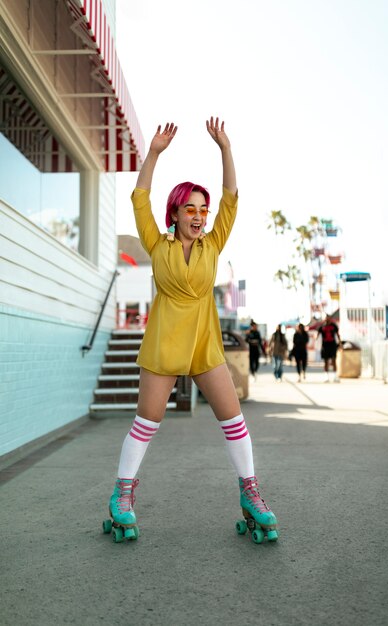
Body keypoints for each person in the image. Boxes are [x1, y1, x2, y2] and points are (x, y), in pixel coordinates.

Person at [106, 119, 278, 543]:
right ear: (176, 213)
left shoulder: (213, 243)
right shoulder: (156, 244)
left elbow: (232, 199)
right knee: (147, 422)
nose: (200, 216)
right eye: (191, 209)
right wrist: (155, 154)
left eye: (203, 209)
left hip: (204, 346)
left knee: (234, 421)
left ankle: (250, 492)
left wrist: (225, 149)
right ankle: (122, 495)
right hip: (165, 344)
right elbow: (139, 198)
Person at [317, 314, 341, 382]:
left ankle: (335, 376)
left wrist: (340, 343)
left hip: (333, 346)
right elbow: (318, 336)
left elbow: (337, 335)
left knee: (333, 361)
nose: (328, 319)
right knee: (326, 361)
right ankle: (326, 377)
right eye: (326, 318)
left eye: (329, 318)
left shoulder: (334, 326)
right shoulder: (322, 327)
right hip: (325, 346)